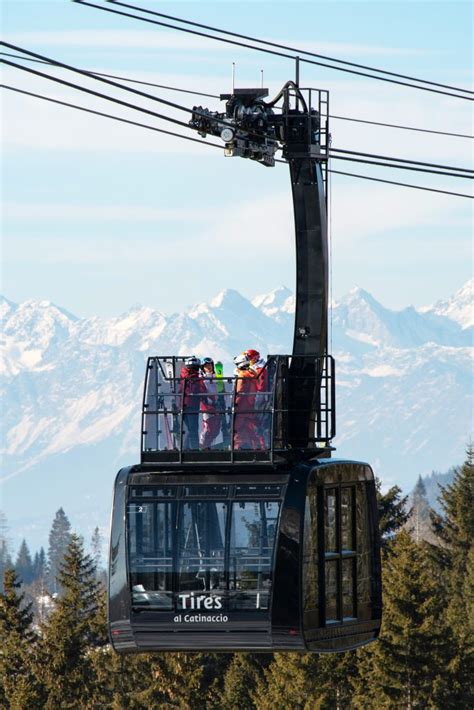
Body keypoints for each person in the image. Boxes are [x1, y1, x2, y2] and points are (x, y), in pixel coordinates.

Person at [232, 352, 259, 450]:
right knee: (251, 431)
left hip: (241, 409)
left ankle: (237, 451)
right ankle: (256, 449)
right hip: (250, 407)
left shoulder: (242, 376)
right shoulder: (253, 374)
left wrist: (234, 405)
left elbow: (239, 392)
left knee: (237, 431)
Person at [179, 356, 206, 450]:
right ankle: (194, 449)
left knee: (189, 429)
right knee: (193, 428)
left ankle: (185, 448)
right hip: (191, 405)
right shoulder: (194, 378)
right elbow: (196, 390)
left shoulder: (184, 374)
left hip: (184, 404)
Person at [246, 349, 270, 449]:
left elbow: (261, 385)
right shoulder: (258, 367)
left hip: (259, 399)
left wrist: (255, 400)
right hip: (258, 397)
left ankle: (262, 446)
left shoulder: (259, 369)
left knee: (257, 423)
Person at [199, 357, 221, 449]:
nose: (208, 367)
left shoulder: (215, 377)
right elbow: (201, 391)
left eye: (210, 365)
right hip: (207, 405)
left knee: (216, 429)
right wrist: (209, 401)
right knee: (208, 427)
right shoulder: (202, 378)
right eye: (206, 366)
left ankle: (208, 445)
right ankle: (202, 445)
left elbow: (220, 388)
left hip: (216, 404)